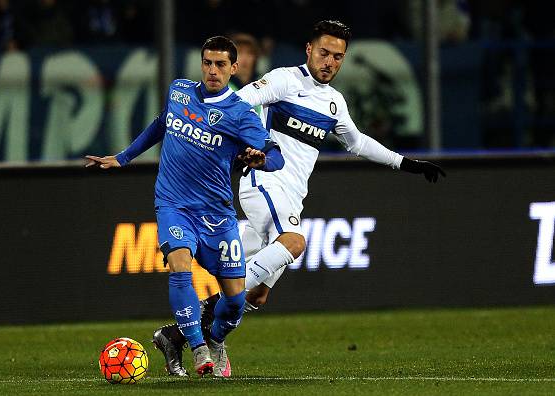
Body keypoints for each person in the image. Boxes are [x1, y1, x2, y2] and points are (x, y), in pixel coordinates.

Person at [155, 19, 446, 377]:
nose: (329, 62)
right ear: (309, 50)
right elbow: (241, 99)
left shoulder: (334, 104)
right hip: (263, 183)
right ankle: (198, 336)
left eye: (338, 57)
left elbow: (356, 143)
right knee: (293, 242)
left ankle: (178, 335)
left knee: (257, 295)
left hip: (291, 198)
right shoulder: (283, 80)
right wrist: (245, 143)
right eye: (324, 52)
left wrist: (406, 163)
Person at [85, 35, 284, 377]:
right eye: (207, 62)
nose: (213, 70)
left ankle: (217, 340)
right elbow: (161, 124)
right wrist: (123, 157)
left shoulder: (240, 113)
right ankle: (198, 348)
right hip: (173, 204)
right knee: (179, 265)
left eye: (221, 64)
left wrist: (261, 158)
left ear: (233, 68)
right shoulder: (179, 90)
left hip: (217, 214)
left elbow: (276, 157)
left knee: (236, 298)